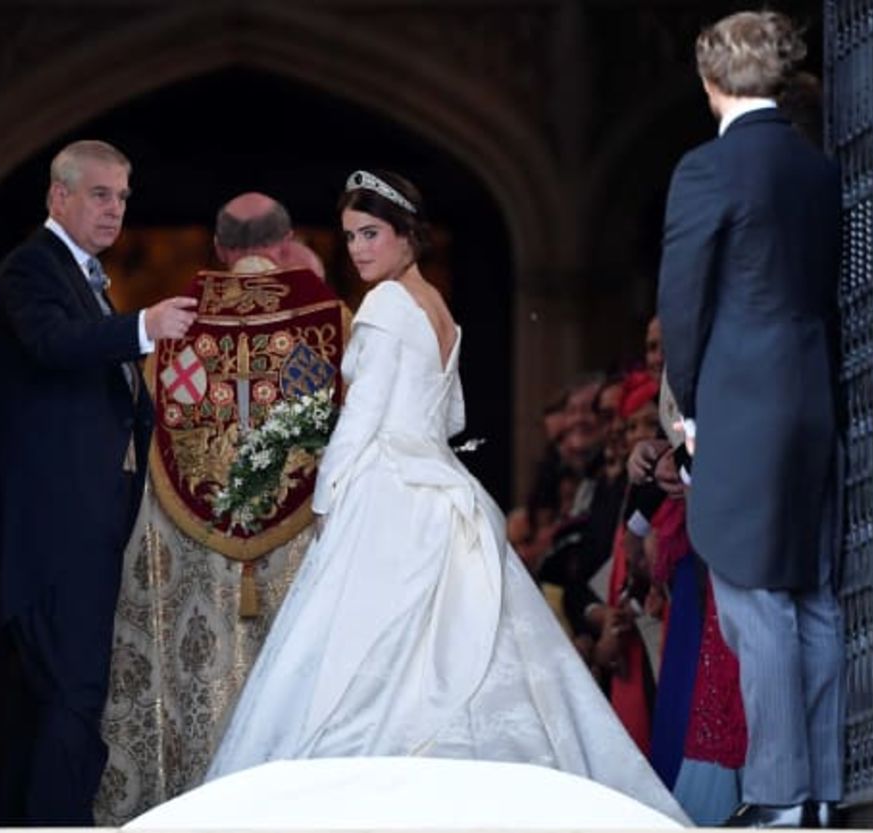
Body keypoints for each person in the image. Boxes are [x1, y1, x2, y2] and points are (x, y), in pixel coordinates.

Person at [204, 169, 686, 823]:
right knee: (467, 647)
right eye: (350, 237)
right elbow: (452, 414)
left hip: (387, 491)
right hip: (444, 489)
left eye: (372, 233)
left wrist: (326, 500)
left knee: (360, 655)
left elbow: (364, 413)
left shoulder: (382, 306)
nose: (359, 249)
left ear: (407, 233)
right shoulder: (441, 313)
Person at [0, 139, 197, 824]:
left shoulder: (84, 275)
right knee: (70, 699)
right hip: (53, 532)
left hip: (87, 523)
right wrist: (144, 327)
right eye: (100, 194)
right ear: (58, 197)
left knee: (64, 706)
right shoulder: (31, 267)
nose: (115, 209)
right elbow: (53, 345)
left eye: (123, 197)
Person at [96, 192, 350, 822]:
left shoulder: (168, 323)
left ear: (218, 248)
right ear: (287, 240)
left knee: (198, 688)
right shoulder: (335, 323)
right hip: (303, 552)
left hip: (192, 557)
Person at [657, 11, 843, 828]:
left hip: (740, 400)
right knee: (811, 595)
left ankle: (776, 791)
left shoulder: (708, 168)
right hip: (810, 395)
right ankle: (827, 785)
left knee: (752, 594)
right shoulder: (817, 169)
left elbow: (684, 300)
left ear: (711, 80)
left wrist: (688, 404)